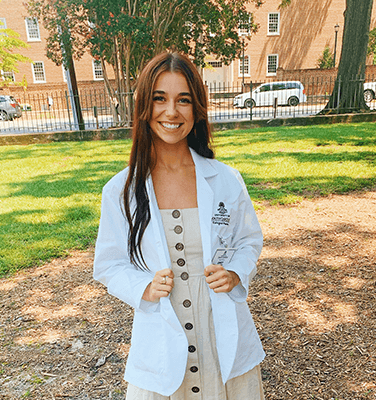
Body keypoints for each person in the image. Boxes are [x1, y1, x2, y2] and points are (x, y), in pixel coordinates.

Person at [93, 52, 265, 399]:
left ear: (197, 108)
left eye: (183, 100)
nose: (171, 112)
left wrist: (234, 273)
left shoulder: (226, 180)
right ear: (144, 106)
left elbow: (249, 241)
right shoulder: (121, 191)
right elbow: (108, 265)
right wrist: (143, 286)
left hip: (223, 339)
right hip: (161, 342)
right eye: (160, 98)